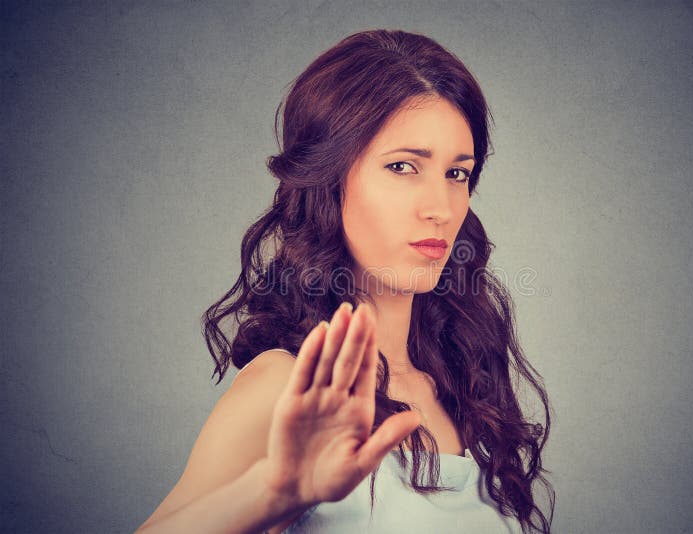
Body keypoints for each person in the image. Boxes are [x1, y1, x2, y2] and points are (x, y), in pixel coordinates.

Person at [137, 28, 553, 533]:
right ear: (330, 180)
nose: (441, 209)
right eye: (403, 166)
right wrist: (269, 494)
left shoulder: (463, 382)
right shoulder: (286, 387)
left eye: (457, 174)